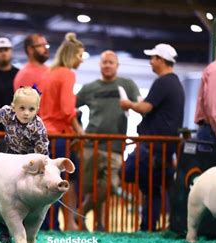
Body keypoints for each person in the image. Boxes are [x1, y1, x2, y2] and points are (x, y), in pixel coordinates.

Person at [120, 43, 185, 231]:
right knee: (153, 187)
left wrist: (129, 104)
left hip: (153, 145)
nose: (150, 62)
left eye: (153, 58)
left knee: (128, 172)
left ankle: (149, 224)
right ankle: (149, 225)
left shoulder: (163, 81)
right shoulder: (174, 82)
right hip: (163, 146)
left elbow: (146, 107)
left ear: (161, 60)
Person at [76, 50, 141, 231]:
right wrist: (78, 129)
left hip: (116, 146)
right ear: (100, 65)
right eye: (104, 62)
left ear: (117, 65)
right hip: (91, 143)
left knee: (111, 185)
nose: (107, 65)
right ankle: (99, 224)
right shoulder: (90, 88)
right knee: (91, 187)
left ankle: (80, 212)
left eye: (111, 62)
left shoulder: (127, 85)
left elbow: (140, 105)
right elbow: (69, 107)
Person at [0, 86, 49, 243]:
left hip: (31, 166)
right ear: (13, 106)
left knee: (26, 200)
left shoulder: (39, 127)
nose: (26, 113)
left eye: (31, 109)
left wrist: (33, 168)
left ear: (37, 108)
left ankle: (27, 235)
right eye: (21, 108)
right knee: (6, 197)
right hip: (8, 163)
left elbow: (42, 155)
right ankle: (4, 232)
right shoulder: (6, 113)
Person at [38, 32, 85, 231]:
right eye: (80, 55)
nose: (81, 60)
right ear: (72, 55)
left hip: (44, 133)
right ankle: (53, 226)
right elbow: (67, 110)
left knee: (44, 181)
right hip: (59, 135)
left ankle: (46, 224)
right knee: (58, 183)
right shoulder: (67, 74)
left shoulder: (49, 72)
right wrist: (79, 131)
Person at [0, 37, 19, 152]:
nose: (3, 53)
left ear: (11, 51)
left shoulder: (19, 74)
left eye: (6, 50)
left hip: (14, 131)